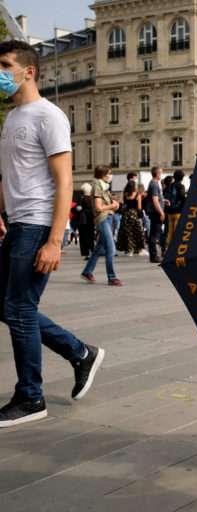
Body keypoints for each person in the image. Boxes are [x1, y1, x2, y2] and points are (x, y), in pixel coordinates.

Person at [0, 40, 105, 427]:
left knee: (19, 308)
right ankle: (80, 353)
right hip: (16, 222)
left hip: (38, 223)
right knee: (6, 305)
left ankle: (31, 397)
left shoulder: (49, 116)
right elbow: (10, 174)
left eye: (5, 65)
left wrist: (55, 240)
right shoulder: (12, 119)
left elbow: (64, 182)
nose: (0, 72)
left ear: (29, 71)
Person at [81, 166, 123, 286]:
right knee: (111, 248)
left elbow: (107, 203)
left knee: (99, 248)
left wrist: (114, 204)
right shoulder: (98, 185)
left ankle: (87, 272)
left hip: (108, 218)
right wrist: (112, 206)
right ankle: (112, 277)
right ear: (103, 174)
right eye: (109, 173)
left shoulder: (104, 186)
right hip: (103, 219)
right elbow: (99, 207)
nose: (111, 175)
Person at [116, 179, 145, 256]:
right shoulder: (137, 195)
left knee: (128, 233)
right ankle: (139, 249)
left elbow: (122, 203)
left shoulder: (125, 194)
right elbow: (139, 207)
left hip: (126, 214)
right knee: (138, 232)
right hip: (134, 214)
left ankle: (129, 250)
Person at [146, 166, 165, 263]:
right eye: (160, 173)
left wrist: (164, 201)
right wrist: (161, 212)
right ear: (157, 174)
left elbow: (157, 199)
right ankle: (154, 256)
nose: (161, 175)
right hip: (156, 213)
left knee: (157, 233)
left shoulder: (153, 184)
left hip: (155, 212)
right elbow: (155, 200)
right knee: (154, 235)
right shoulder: (154, 184)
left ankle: (161, 253)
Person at [165, 170, 186, 248]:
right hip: (178, 211)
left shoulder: (170, 186)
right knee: (178, 230)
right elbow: (183, 197)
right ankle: (176, 247)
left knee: (170, 231)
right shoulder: (181, 186)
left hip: (170, 211)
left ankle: (169, 246)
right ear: (182, 178)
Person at [76, 182, 95, 259]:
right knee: (90, 235)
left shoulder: (82, 198)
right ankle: (92, 251)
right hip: (91, 219)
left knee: (83, 236)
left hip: (83, 220)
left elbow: (78, 208)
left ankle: (86, 253)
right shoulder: (92, 199)